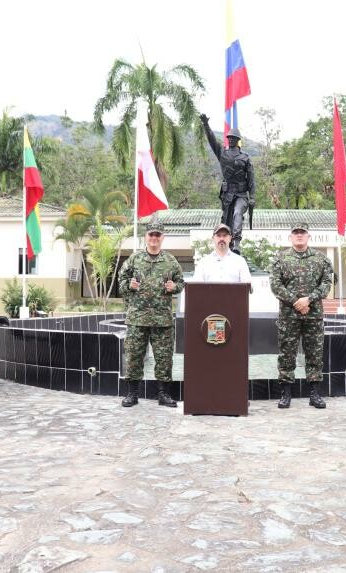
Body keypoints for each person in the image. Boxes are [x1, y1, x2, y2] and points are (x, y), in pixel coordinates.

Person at [117, 222, 185, 408]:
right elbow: (121, 281)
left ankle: (163, 394)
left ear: (162, 237)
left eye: (157, 235)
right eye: (151, 235)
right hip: (137, 318)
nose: (154, 238)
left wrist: (174, 287)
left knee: (164, 358)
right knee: (134, 357)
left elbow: (181, 282)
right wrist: (129, 285)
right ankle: (132, 394)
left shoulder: (170, 260)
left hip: (162, 319)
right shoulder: (134, 259)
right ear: (145, 237)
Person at [270, 222, 334, 409]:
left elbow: (326, 284)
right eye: (296, 232)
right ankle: (286, 394)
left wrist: (309, 300)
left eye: (302, 233)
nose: (299, 235)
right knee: (286, 354)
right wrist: (296, 302)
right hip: (288, 315)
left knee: (315, 354)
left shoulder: (321, 259)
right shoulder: (280, 258)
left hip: (313, 315)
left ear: (308, 236)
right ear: (290, 237)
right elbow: (276, 285)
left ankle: (314, 394)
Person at [198, 113, 255, 255]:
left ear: (238, 140)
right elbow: (212, 140)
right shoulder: (222, 153)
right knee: (226, 221)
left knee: (237, 213)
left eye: (233, 138)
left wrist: (252, 197)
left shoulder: (245, 157)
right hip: (227, 194)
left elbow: (251, 178)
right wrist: (206, 125)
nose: (230, 140)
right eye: (229, 138)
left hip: (241, 194)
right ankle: (227, 245)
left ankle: (237, 243)